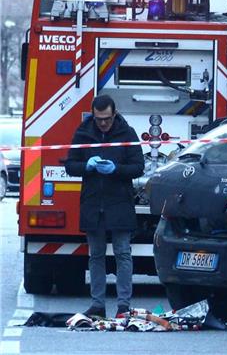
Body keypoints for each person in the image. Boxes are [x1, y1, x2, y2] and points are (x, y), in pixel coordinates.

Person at [65, 95, 144, 319]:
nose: (103, 123)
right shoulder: (83, 132)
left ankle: (123, 306)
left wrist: (116, 169)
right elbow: (71, 165)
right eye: (99, 119)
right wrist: (87, 166)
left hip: (119, 203)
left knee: (122, 254)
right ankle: (98, 305)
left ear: (114, 114)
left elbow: (138, 167)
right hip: (93, 204)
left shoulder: (127, 133)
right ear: (93, 115)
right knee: (96, 256)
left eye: (107, 119)